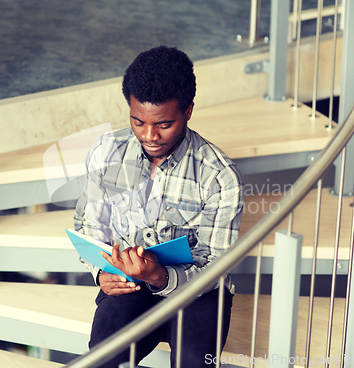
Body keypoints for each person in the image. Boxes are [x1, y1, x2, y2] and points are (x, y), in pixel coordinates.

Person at [74, 45, 244, 367]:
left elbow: (216, 267)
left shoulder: (220, 177)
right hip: (129, 282)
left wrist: (161, 276)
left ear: (188, 111)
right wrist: (101, 274)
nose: (149, 135)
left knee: (194, 360)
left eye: (163, 124)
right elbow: (89, 225)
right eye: (138, 121)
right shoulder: (106, 154)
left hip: (198, 290)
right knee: (102, 353)